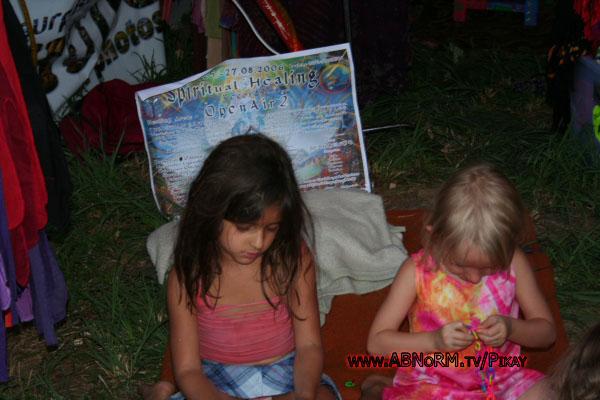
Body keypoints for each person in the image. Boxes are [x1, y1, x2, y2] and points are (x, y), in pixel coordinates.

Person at [143, 134, 340, 400]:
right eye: (244, 227)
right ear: (212, 212)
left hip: (286, 372)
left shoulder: (292, 258)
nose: (259, 242)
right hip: (216, 381)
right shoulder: (189, 275)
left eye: (271, 228)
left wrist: (303, 395)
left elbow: (309, 346)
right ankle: (159, 393)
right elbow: (188, 371)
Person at [361, 162, 556, 400]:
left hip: (501, 380)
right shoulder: (417, 271)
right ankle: (381, 388)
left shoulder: (515, 263)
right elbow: (377, 344)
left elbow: (546, 334)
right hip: (433, 385)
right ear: (435, 237)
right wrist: (434, 341)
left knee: (549, 392)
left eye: (489, 267)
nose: (474, 278)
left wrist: (511, 328)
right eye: (460, 266)